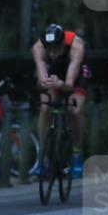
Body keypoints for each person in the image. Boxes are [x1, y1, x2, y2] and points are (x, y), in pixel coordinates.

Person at [31, 23, 89, 178]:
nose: (51, 53)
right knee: (45, 107)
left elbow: (69, 85)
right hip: (54, 73)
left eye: (56, 48)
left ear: (63, 43)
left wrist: (61, 84)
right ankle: (42, 157)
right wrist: (44, 82)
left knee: (74, 110)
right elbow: (41, 79)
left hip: (74, 76)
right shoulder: (38, 48)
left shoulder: (77, 46)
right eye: (48, 48)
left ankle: (77, 154)